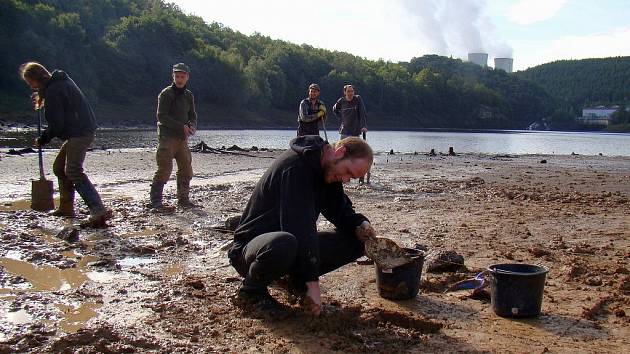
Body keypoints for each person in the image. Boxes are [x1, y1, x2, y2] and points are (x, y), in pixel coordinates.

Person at [228, 135, 377, 316]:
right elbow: (298, 228)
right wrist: (312, 284)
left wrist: (360, 224)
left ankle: (295, 282)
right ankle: (251, 292)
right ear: (340, 152)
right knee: (286, 242)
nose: (346, 180)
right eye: (348, 173)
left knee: (357, 241)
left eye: (351, 178)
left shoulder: (329, 170)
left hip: (288, 247)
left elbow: (339, 210)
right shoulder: (296, 168)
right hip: (252, 251)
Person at [19, 62, 112, 228]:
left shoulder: (55, 89)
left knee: (73, 171)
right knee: (59, 168)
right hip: (80, 130)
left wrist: (43, 139)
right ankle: (66, 208)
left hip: (80, 133)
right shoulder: (61, 82)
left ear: (36, 78)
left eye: (30, 82)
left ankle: (98, 209)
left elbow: (57, 124)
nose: (30, 86)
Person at [149, 63, 198, 210]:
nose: (179, 79)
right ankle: (156, 201)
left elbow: (192, 115)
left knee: (186, 169)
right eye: (177, 76)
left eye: (182, 76)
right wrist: (180, 126)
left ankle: (183, 199)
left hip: (182, 139)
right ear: (173, 76)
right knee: (164, 168)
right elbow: (161, 116)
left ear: (187, 77)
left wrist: (192, 126)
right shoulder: (166, 94)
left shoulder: (189, 95)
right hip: (167, 137)